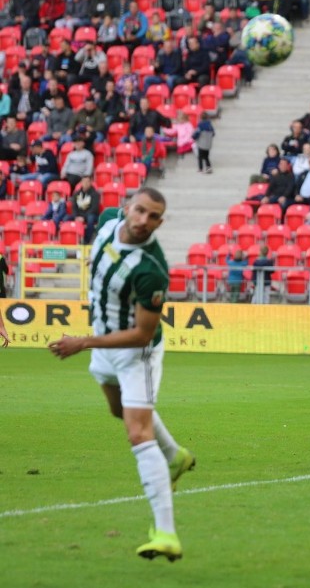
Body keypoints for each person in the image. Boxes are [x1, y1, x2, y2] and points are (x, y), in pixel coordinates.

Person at [48, 188, 194, 562]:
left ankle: (166, 533)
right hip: (102, 344)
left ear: (161, 222)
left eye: (154, 217)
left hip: (135, 354)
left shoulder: (151, 270)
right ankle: (175, 454)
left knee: (136, 431)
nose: (144, 221)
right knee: (119, 411)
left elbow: (143, 334)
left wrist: (83, 342)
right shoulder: (106, 220)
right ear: (126, 206)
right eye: (140, 210)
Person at [72, 175, 101, 243]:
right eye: (84, 181)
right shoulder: (76, 194)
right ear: (81, 182)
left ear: (91, 182)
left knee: (90, 218)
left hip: (91, 214)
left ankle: (86, 241)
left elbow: (94, 208)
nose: (85, 183)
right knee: (66, 218)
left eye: (87, 182)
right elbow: (74, 207)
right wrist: (76, 216)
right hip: (79, 214)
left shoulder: (95, 194)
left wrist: (83, 217)